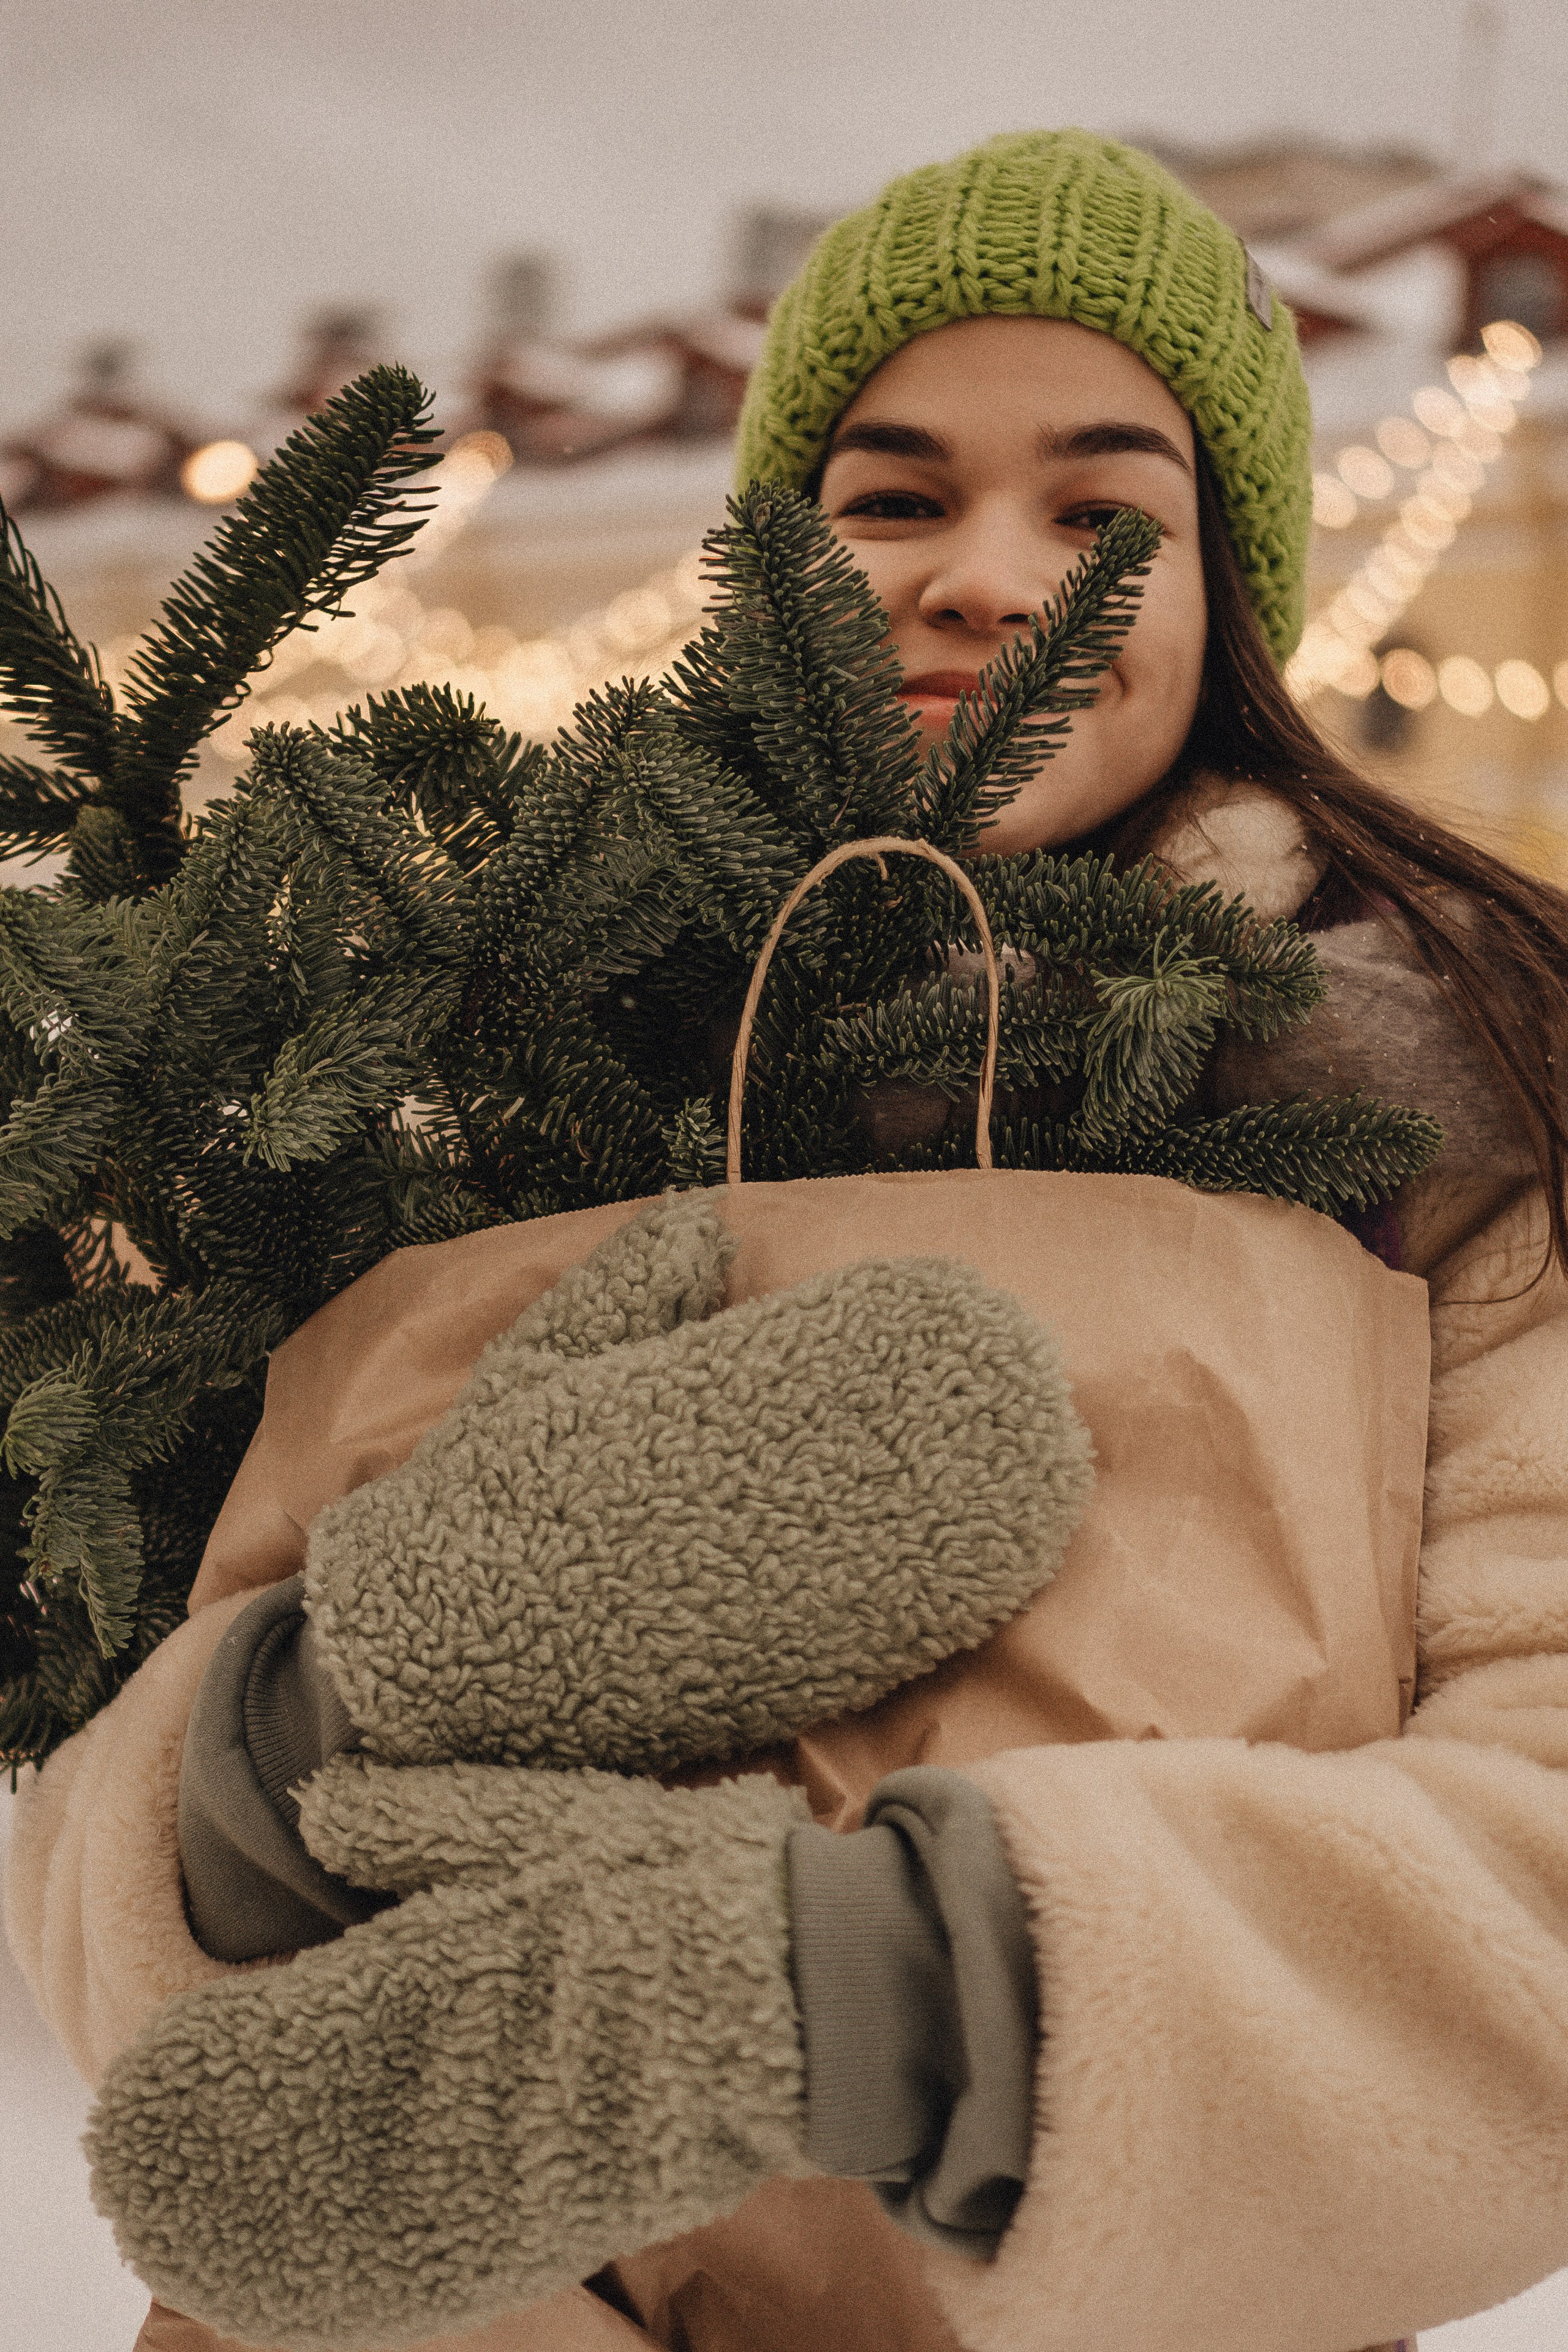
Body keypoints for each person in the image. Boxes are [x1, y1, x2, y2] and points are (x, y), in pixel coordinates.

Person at [10, 129, 1568, 2352]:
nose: (988, 582)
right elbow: (98, 1848)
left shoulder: (1459, 1105)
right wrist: (317, 1713)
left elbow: (1541, 1916)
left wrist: (841, 1983)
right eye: (896, 498)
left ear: (1233, 593)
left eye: (1105, 514)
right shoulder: (477, 1054)